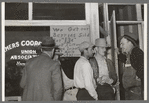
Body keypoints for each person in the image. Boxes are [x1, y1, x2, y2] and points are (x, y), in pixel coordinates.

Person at [20, 36, 63, 101]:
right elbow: (58, 89)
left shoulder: (29, 62)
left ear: (41, 49)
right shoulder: (54, 64)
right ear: (53, 50)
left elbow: (22, 84)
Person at [118, 32, 144, 99]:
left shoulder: (136, 51)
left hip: (135, 90)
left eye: (122, 44)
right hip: (129, 90)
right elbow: (128, 60)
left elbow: (143, 64)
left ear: (130, 42)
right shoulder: (130, 54)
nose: (121, 46)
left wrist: (138, 75)